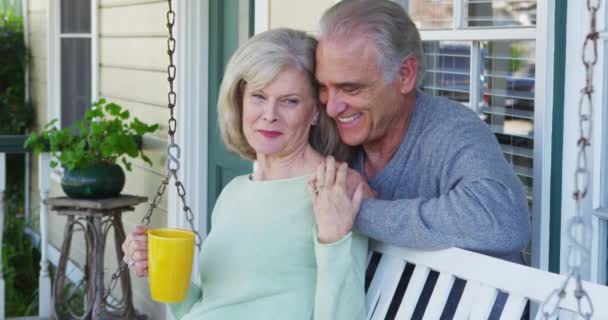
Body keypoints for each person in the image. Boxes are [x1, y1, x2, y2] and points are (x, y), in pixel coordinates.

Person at [122, 28, 368, 320]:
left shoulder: (334, 189)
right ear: (240, 101)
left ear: (315, 111)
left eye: (289, 101)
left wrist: (333, 240)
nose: (269, 114)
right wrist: (158, 264)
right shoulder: (235, 191)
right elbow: (202, 307)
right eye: (258, 96)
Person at [313, 0, 530, 262]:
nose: (333, 107)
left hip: (460, 303)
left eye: (351, 88)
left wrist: (357, 211)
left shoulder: (451, 129)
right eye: (323, 87)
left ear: (405, 75)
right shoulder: (327, 133)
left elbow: (502, 220)